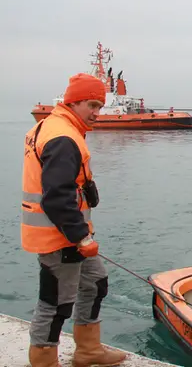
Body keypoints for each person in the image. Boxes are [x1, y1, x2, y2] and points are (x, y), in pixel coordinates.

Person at [21, 73, 127, 367]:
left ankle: (88, 350)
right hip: (60, 238)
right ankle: (44, 361)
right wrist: (82, 237)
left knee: (95, 282)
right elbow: (56, 198)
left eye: (100, 106)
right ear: (73, 101)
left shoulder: (55, 126)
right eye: (92, 105)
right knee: (55, 302)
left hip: (68, 234)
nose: (97, 113)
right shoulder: (64, 137)